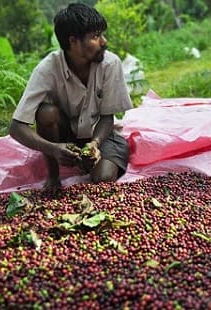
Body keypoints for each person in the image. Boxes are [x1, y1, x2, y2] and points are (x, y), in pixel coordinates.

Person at [9, 3, 132, 191]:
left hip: (100, 134)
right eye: (95, 36)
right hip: (65, 135)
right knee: (46, 113)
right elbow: (16, 128)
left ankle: (94, 158)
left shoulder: (110, 64)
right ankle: (53, 176)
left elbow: (107, 117)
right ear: (73, 41)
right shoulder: (47, 69)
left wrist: (95, 144)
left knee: (104, 178)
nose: (104, 42)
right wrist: (52, 148)